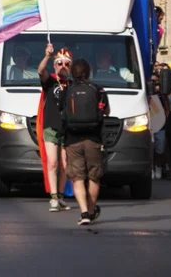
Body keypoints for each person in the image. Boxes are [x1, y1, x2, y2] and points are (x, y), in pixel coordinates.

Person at [59, 58, 109, 225]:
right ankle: (92, 208)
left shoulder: (66, 91)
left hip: (72, 139)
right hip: (94, 139)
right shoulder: (97, 90)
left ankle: (84, 213)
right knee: (94, 176)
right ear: (89, 72)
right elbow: (106, 110)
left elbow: (61, 112)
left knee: (77, 177)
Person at [37, 44, 72, 212]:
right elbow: (40, 71)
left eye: (66, 64)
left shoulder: (72, 84)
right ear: (55, 65)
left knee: (65, 165)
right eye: (60, 63)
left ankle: (60, 196)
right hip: (51, 126)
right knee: (52, 162)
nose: (63, 66)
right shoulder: (50, 81)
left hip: (67, 128)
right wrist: (47, 56)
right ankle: (53, 198)